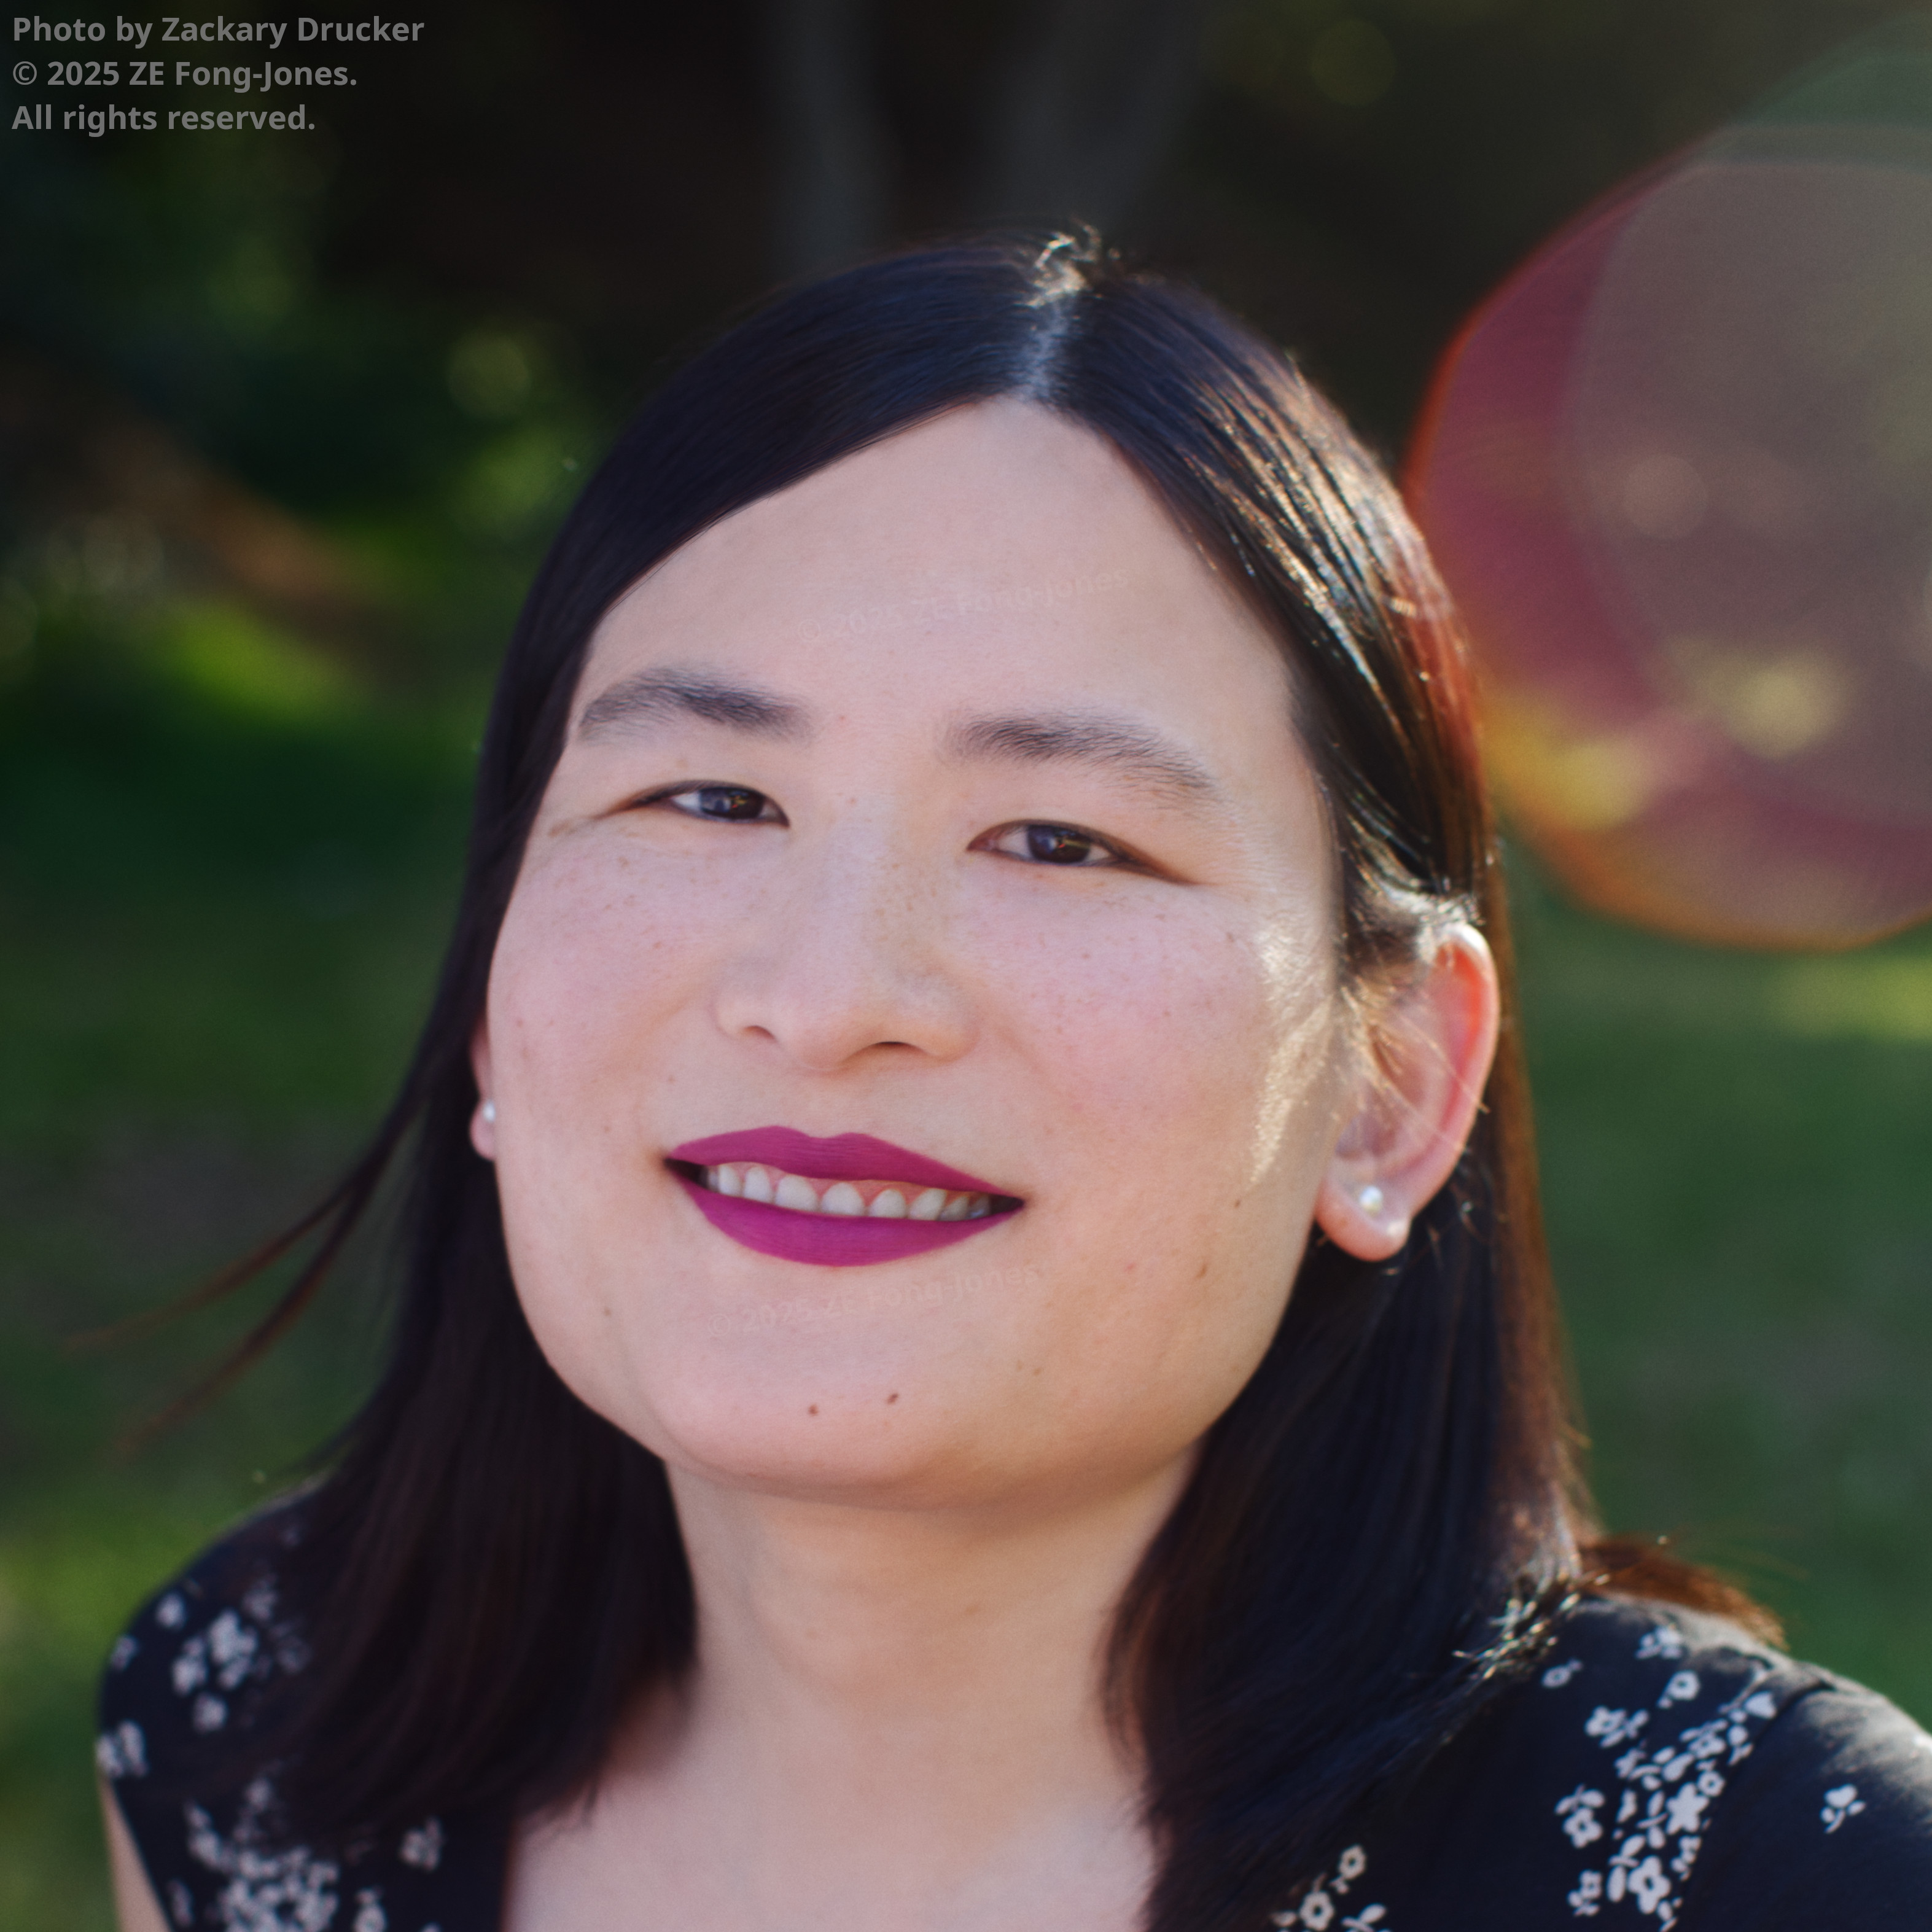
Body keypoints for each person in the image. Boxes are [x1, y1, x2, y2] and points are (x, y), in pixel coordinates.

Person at [96, 234, 1932, 1932]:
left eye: (1056, 836)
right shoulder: (252, 1745)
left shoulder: (1784, 1885)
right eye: (710, 799)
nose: (824, 997)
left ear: (1387, 1083)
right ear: (494, 993)